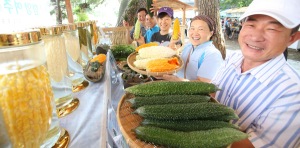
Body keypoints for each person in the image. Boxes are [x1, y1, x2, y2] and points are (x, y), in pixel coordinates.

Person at [211, 0, 300, 147]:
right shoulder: (233, 58)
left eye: (272, 29)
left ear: (292, 38)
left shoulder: (293, 93)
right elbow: (213, 93)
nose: (255, 37)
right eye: (251, 25)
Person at [155, 15, 223, 83]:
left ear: (211, 33)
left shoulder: (212, 54)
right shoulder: (188, 47)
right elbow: (177, 66)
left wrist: (174, 79)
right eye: (192, 28)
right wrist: (172, 43)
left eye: (200, 29)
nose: (195, 33)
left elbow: (204, 85)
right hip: (179, 90)